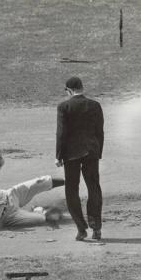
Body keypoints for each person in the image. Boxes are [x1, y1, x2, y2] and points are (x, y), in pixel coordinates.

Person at [0, 150, 65, 235]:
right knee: (44, 219)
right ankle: (38, 209)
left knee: (40, 181)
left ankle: (70, 183)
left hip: (12, 195)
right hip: (9, 216)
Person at [55, 76, 104, 241]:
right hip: (91, 151)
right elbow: (100, 132)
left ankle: (81, 228)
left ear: (69, 90)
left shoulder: (64, 106)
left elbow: (61, 133)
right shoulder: (95, 105)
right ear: (82, 87)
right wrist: (99, 152)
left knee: (71, 190)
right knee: (94, 188)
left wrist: (58, 155)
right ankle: (96, 227)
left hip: (70, 154)